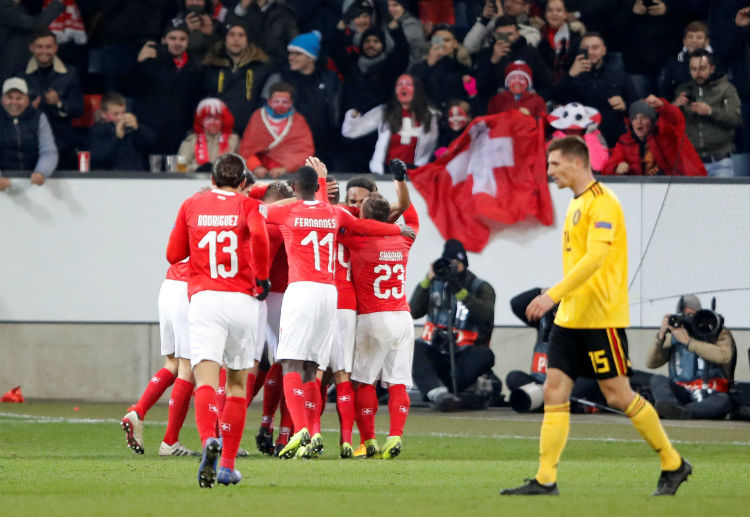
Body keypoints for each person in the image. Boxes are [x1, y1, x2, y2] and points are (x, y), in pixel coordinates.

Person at [501, 136, 690, 497]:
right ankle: (545, 479)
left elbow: (596, 259)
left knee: (618, 395)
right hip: (569, 318)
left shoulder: (604, 203)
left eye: (554, 164)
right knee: (554, 391)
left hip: (600, 319)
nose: (550, 171)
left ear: (576, 162)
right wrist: (560, 302)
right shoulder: (577, 204)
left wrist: (551, 294)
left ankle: (673, 463)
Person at [262, 161, 408, 459]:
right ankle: (328, 434)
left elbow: (260, 209)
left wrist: (295, 193)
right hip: (331, 295)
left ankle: (303, 429)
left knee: (292, 363)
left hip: (301, 290)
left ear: (295, 188)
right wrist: (396, 229)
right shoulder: (334, 212)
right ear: (321, 187)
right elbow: (362, 225)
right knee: (315, 368)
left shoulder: (288, 210)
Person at [166, 152, 270, 487]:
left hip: (205, 300)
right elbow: (260, 236)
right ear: (243, 182)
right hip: (241, 300)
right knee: (237, 384)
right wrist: (263, 277)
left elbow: (173, 254)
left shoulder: (191, 204)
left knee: (206, 380)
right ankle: (226, 464)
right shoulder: (248, 205)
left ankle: (208, 439)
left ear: (211, 179)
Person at [340, 159, 419, 460]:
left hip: (373, 316)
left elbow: (337, 223)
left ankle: (369, 440)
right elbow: (409, 216)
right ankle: (395, 436)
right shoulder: (403, 238)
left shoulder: (358, 240)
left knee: (363, 381)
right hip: (403, 316)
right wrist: (400, 180)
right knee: (399, 381)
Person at [120, 259, 200, 457]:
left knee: (172, 363)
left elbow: (172, 254)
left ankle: (138, 411)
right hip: (189, 289)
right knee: (187, 370)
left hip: (169, 286)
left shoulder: (180, 225)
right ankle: (170, 441)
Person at [410, 239, 496, 411]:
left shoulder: (480, 287)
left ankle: (446, 391)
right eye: (448, 264)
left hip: (464, 355)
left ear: (464, 264)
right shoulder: (435, 284)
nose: (452, 268)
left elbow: (486, 316)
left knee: (485, 355)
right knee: (413, 348)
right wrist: (427, 280)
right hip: (436, 351)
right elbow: (413, 311)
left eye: (455, 265)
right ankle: (437, 393)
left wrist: (461, 292)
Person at [647, 295, 736, 420]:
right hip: (682, 392)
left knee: (724, 401)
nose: (687, 319)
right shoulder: (675, 335)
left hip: (711, 393)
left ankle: (681, 412)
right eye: (683, 315)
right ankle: (672, 408)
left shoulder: (717, 331)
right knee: (657, 379)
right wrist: (660, 337)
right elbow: (651, 363)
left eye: (691, 314)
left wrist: (689, 342)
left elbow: (724, 356)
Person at [261, 31, 342, 168]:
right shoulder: (281, 78)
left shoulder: (330, 79)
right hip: (289, 150)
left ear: (311, 57)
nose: (291, 57)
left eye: (297, 53)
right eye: (290, 53)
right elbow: (263, 111)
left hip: (324, 150)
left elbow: (337, 111)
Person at [341, 74, 440, 174]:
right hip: (387, 172)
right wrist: (353, 116)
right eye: (399, 85)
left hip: (417, 173)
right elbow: (350, 131)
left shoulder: (430, 115)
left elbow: (436, 147)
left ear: (417, 89)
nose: (403, 88)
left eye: (408, 84)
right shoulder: (384, 111)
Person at [552, 32, 637, 148]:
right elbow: (557, 100)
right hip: (579, 139)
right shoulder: (571, 75)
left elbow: (635, 105)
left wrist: (624, 106)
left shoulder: (619, 75)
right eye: (585, 48)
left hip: (613, 138)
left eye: (595, 48)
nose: (590, 52)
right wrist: (570, 75)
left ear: (604, 50)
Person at [131, 21, 202, 155]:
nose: (177, 43)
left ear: (188, 42)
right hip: (150, 130)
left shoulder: (195, 67)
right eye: (172, 38)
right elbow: (131, 88)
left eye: (182, 39)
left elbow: (195, 100)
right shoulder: (150, 60)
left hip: (179, 131)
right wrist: (139, 62)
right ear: (164, 40)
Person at [21, 29, 83, 171]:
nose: (44, 51)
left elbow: (78, 109)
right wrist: (28, 108)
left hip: (62, 142)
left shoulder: (70, 72)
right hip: (29, 141)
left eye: (49, 47)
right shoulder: (20, 72)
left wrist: (59, 103)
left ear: (55, 48)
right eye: (40, 47)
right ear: (32, 48)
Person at [674, 49, 742, 177]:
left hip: (720, 161)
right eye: (693, 69)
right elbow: (669, 125)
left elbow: (736, 119)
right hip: (691, 161)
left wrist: (710, 111)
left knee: (723, 197)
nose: (697, 73)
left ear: (712, 68)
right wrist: (675, 106)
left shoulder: (726, 89)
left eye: (702, 68)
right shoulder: (683, 90)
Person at [602, 96, 706, 176]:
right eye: (635, 118)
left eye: (644, 118)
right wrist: (616, 168)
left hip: (678, 185)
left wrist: (662, 105)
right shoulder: (625, 141)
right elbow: (607, 168)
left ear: (652, 121)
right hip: (642, 192)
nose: (639, 122)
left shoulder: (665, 132)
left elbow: (676, 119)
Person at [201, 23, 271, 133]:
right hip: (217, 130)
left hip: (249, 130)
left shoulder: (261, 67)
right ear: (225, 39)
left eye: (241, 35)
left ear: (247, 40)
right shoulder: (210, 66)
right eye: (232, 35)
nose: (236, 39)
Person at [238, 81, 314, 178]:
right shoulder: (258, 116)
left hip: (289, 175)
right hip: (259, 174)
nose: (280, 104)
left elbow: (305, 150)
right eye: (276, 101)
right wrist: (256, 166)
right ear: (269, 102)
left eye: (284, 102)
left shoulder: (298, 120)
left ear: (291, 103)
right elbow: (247, 148)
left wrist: (286, 168)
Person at [473, 15, 553, 107]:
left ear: (517, 33)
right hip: (495, 108)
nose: (505, 38)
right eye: (500, 35)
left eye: (509, 34)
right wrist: (493, 61)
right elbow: (478, 87)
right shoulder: (485, 54)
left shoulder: (531, 53)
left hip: (525, 108)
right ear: (494, 34)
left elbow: (546, 86)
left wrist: (532, 101)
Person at [0, 77, 58, 191]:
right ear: (2, 99)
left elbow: (48, 151)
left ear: (27, 99)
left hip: (33, 183)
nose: (14, 102)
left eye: (19, 98)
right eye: (9, 97)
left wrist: (41, 172)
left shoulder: (39, 118)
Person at [410, 24, 475, 111]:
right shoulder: (417, 69)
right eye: (438, 41)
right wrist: (428, 64)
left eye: (447, 40)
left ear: (455, 44)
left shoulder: (464, 70)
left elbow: (473, 102)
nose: (442, 44)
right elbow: (413, 93)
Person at [89, 91, 156, 171]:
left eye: (123, 112)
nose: (121, 117)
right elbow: (101, 159)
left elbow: (151, 143)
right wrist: (117, 138)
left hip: (135, 177)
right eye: (116, 114)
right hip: (111, 178)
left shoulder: (131, 128)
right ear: (104, 114)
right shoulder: (97, 130)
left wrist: (138, 128)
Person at [0, 0, 65, 81]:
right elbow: (36, 25)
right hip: (8, 69)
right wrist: (57, 4)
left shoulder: (20, 7)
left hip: (22, 67)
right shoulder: (4, 7)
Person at [177, 98, 240, 172]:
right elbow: (179, 167)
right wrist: (198, 169)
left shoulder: (234, 140)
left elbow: (243, 166)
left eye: (216, 118)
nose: (212, 122)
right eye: (208, 119)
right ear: (201, 121)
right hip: (195, 181)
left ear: (223, 121)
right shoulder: (190, 141)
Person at [225, 0, 298, 64]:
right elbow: (228, 31)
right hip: (245, 64)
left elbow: (294, 43)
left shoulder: (283, 12)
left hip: (275, 65)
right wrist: (242, 9)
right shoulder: (242, 10)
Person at [657, 21, 711, 103]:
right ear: (684, 41)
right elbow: (664, 91)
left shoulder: (716, 62)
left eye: (699, 37)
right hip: (680, 109)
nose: (694, 41)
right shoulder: (673, 63)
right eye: (690, 37)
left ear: (706, 41)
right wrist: (674, 104)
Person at [546, 102, 608, 173]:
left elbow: (598, 166)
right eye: (570, 130)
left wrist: (590, 136)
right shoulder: (553, 140)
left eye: (576, 129)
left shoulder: (595, 136)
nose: (573, 132)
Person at [536, 0, 584, 86]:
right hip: (545, 85)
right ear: (545, 14)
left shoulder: (576, 37)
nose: (554, 14)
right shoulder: (537, 35)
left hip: (571, 84)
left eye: (559, 10)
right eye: (550, 10)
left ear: (565, 14)